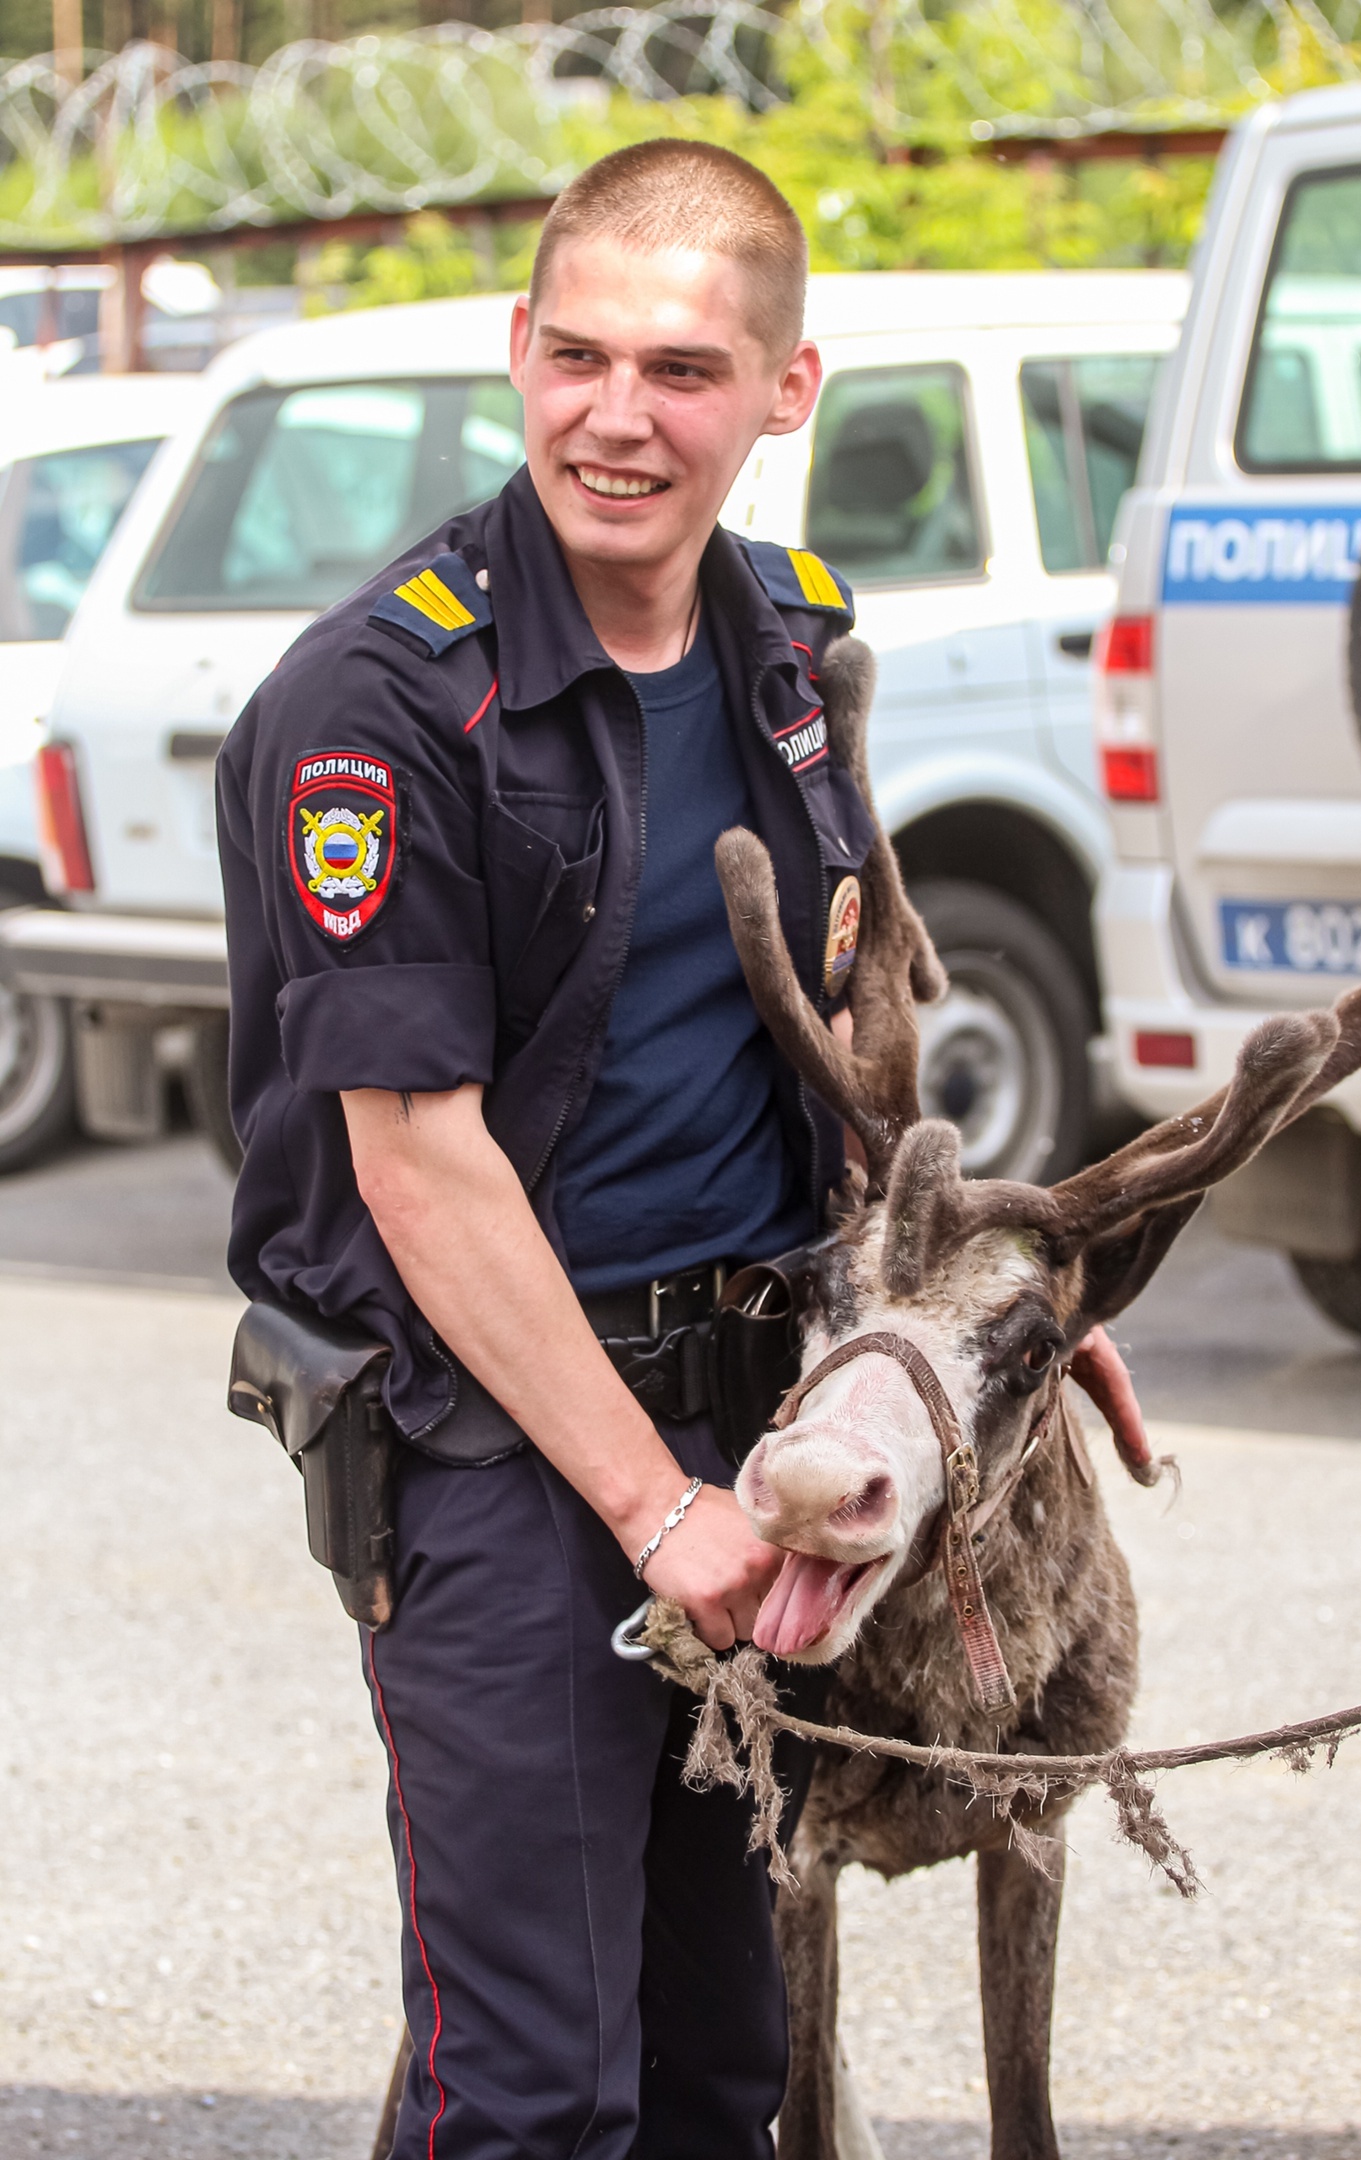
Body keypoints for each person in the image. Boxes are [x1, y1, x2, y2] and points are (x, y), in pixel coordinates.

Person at [217, 140, 879, 2158]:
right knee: (535, 2095)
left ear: (786, 391)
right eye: (576, 355)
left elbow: (840, 1032)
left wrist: (946, 1321)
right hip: (500, 1455)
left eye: (683, 370)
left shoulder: (791, 649)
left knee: (717, 2071)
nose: (616, 417)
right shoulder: (381, 709)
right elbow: (418, 1164)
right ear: (515, 351)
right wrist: (660, 1515)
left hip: (755, 1408)